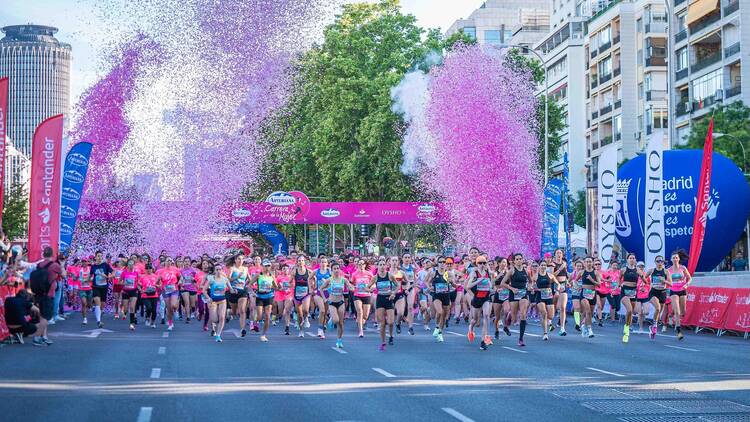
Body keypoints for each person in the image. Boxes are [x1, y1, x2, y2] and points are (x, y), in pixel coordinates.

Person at [318, 261, 354, 348]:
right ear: (331, 270)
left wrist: (351, 288)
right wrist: (324, 298)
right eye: (334, 269)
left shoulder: (343, 279)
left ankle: (339, 340)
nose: (336, 270)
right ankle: (330, 320)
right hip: (332, 303)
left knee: (340, 323)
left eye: (338, 268)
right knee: (336, 320)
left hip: (341, 302)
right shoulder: (329, 280)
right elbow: (321, 288)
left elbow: (349, 286)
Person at [500, 253, 531, 347]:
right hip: (513, 294)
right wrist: (512, 288)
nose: (519, 260)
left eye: (520, 259)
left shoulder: (526, 271)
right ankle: (507, 324)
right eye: (517, 259)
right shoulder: (511, 271)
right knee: (514, 318)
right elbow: (502, 283)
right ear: (514, 261)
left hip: (523, 294)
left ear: (522, 260)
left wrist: (529, 286)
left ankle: (521, 339)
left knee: (523, 314)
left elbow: (530, 281)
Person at [466, 255, 493, 350]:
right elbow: (468, 286)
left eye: (484, 263)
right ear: (477, 264)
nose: (482, 265)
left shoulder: (488, 273)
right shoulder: (474, 273)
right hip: (477, 298)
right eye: (480, 263)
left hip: (485, 297)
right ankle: (471, 329)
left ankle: (483, 340)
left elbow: (490, 285)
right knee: (475, 320)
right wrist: (479, 280)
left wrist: (493, 289)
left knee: (486, 316)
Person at [369, 260, 396, 351]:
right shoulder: (375, 277)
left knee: (391, 322)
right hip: (380, 299)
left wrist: (393, 293)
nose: (382, 266)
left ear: (386, 266)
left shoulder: (390, 276)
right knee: (383, 323)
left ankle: (391, 336)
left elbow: (397, 285)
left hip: (389, 299)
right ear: (378, 266)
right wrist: (369, 290)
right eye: (380, 265)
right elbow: (368, 287)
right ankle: (383, 342)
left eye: (383, 264)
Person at [251, 259, 278, 342]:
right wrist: (253, 292)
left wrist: (275, 287)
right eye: (265, 266)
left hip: (269, 296)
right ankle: (255, 323)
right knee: (259, 316)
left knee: (267, 316)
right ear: (262, 266)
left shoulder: (271, 275)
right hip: (260, 296)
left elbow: (276, 287)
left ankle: (263, 335)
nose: (267, 267)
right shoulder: (258, 275)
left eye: (268, 266)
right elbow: (249, 285)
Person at [646, 255, 672, 340]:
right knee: (657, 308)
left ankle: (653, 326)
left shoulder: (666, 271)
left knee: (659, 313)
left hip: (662, 293)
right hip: (653, 292)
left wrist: (663, 280)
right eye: (657, 261)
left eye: (661, 261)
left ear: (663, 262)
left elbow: (671, 284)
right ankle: (655, 325)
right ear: (655, 262)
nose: (659, 263)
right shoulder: (651, 270)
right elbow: (643, 279)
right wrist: (643, 285)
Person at [618, 253, 643, 343]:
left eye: (633, 258)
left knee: (631, 311)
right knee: (629, 310)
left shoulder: (638, 270)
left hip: (633, 292)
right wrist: (619, 285)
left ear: (635, 260)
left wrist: (643, 277)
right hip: (624, 291)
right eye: (630, 258)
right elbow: (619, 278)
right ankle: (627, 327)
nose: (632, 259)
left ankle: (628, 324)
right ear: (627, 260)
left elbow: (644, 280)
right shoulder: (624, 269)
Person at [667, 252, 692, 341]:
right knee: (677, 312)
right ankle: (679, 331)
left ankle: (671, 315)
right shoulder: (669, 270)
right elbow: (667, 282)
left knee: (683, 312)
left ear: (679, 259)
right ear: (671, 259)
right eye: (673, 258)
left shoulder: (683, 268)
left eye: (676, 258)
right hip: (673, 291)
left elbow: (690, 278)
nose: (675, 259)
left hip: (683, 290)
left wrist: (687, 285)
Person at [203, 263, 229, 342]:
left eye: (220, 269)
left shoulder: (225, 279)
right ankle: (216, 326)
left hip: (222, 301)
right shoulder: (211, 279)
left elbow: (230, 288)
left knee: (221, 317)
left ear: (222, 271)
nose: (218, 271)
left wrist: (233, 290)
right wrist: (208, 298)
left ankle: (218, 335)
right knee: (214, 319)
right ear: (214, 271)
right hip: (213, 301)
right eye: (217, 269)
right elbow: (204, 290)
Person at [575, 256, 601, 339]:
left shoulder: (596, 272)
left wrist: (592, 280)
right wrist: (578, 286)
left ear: (592, 263)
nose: (589, 263)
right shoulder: (582, 272)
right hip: (584, 294)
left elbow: (599, 284)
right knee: (588, 311)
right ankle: (590, 330)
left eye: (590, 261)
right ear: (584, 263)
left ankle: (583, 326)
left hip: (593, 294)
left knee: (589, 313)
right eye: (587, 261)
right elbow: (575, 280)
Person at [532, 260, 557, 341]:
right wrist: (534, 289)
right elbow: (532, 286)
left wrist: (558, 288)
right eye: (542, 265)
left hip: (549, 296)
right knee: (544, 313)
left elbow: (558, 283)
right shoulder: (535, 276)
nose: (543, 266)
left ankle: (549, 322)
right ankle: (545, 333)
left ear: (546, 267)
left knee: (551, 316)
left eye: (544, 265)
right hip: (540, 296)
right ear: (539, 266)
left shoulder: (550, 275)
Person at [226, 254, 250, 337]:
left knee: (242, 310)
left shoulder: (246, 269)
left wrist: (248, 284)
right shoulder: (232, 268)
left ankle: (242, 329)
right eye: (238, 259)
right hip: (233, 291)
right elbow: (227, 279)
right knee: (234, 312)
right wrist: (236, 278)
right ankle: (229, 313)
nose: (240, 261)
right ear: (235, 260)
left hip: (242, 291)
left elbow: (249, 279)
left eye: (242, 259)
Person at [292, 255, 316, 338]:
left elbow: (314, 279)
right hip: (297, 293)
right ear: (297, 262)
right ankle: (301, 330)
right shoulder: (294, 271)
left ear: (304, 262)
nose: (301, 262)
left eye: (302, 261)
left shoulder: (309, 271)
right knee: (299, 314)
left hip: (306, 293)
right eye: (299, 261)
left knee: (305, 310)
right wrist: (288, 284)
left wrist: (313, 287)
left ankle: (306, 319)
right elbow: (290, 281)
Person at [156, 257, 181, 331]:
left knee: (173, 305)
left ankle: (176, 310)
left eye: (170, 260)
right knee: (168, 308)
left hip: (174, 289)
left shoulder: (175, 269)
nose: (169, 262)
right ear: (165, 262)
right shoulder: (160, 271)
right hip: (165, 290)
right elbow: (156, 282)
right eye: (168, 260)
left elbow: (181, 277)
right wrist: (158, 281)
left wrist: (180, 281)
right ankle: (170, 323)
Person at [90, 251, 113, 328]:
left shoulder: (105, 265)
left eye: (101, 256)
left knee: (102, 305)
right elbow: (90, 276)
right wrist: (89, 278)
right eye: (98, 256)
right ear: (95, 257)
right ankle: (98, 321)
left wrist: (109, 276)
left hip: (104, 287)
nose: (99, 257)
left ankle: (99, 313)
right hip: (96, 287)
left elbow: (113, 272)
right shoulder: (93, 267)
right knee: (97, 302)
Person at [351, 259, 373, 338]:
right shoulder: (354, 274)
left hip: (366, 295)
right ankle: (360, 331)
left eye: (362, 264)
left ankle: (361, 321)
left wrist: (370, 289)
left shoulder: (369, 274)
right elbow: (351, 283)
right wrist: (353, 287)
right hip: (357, 295)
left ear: (365, 265)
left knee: (365, 315)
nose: (360, 265)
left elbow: (373, 284)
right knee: (359, 312)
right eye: (359, 264)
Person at [491, 258, 511, 339]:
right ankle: (496, 331)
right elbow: (493, 283)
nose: (504, 264)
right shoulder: (495, 272)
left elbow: (511, 283)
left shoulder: (508, 272)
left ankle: (506, 327)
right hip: (498, 295)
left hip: (506, 294)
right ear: (499, 263)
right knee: (497, 316)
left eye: (505, 262)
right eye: (503, 262)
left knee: (507, 311)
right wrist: (500, 274)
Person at [313, 257, 331, 339]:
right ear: (319, 263)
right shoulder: (316, 271)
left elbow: (335, 280)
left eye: (325, 262)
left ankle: (323, 325)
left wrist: (327, 282)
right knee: (322, 310)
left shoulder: (330, 271)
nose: (323, 264)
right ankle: (320, 330)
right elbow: (309, 278)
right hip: (318, 293)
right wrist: (311, 287)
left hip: (328, 293)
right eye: (322, 262)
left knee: (325, 313)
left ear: (327, 263)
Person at [552, 249, 569, 336]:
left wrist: (568, 282)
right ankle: (549, 321)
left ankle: (562, 328)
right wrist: (560, 269)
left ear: (562, 255)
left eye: (560, 253)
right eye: (557, 253)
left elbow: (565, 275)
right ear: (554, 255)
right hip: (555, 285)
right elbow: (551, 276)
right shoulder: (552, 264)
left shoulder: (564, 264)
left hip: (563, 285)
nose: (559, 254)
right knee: (553, 307)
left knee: (563, 307)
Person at [274, 263, 293, 335]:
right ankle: (280, 316)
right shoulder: (279, 277)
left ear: (289, 270)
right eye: (283, 269)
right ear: (281, 270)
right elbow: (275, 287)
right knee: (281, 311)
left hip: (289, 295)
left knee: (287, 311)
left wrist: (289, 286)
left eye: (286, 269)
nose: (285, 270)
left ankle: (287, 327)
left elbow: (293, 285)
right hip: (280, 295)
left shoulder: (291, 277)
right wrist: (279, 288)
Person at [121, 259, 141, 330]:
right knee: (126, 308)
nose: (131, 265)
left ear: (134, 265)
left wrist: (140, 286)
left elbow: (138, 282)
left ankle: (131, 324)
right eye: (129, 264)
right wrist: (123, 283)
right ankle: (124, 312)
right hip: (125, 291)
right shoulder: (124, 272)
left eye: (132, 264)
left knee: (132, 307)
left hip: (134, 291)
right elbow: (120, 281)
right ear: (127, 265)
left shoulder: (136, 273)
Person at [77, 257, 93, 325]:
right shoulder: (79, 269)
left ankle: (90, 306)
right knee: (84, 303)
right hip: (82, 289)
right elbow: (77, 278)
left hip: (89, 289)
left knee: (89, 304)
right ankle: (84, 319)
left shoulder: (90, 269)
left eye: (85, 261)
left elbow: (93, 277)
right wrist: (74, 277)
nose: (84, 263)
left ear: (87, 262)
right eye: (83, 261)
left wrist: (90, 279)